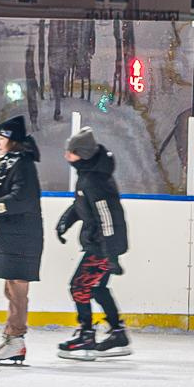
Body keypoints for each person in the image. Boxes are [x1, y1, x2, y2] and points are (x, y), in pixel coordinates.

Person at [0, 113, 43, 366]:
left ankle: (16, 341)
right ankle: (12, 338)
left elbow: (22, 200)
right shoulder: (10, 163)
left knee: (17, 289)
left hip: (22, 237)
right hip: (13, 235)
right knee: (11, 288)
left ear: (11, 139)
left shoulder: (21, 164)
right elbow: (5, 198)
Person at [54, 127, 130, 361]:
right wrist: (66, 221)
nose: (66, 155)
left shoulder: (94, 179)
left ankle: (87, 336)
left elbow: (106, 217)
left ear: (82, 154)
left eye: (71, 151)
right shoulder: (88, 174)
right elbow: (83, 205)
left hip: (102, 246)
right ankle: (118, 334)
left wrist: (111, 255)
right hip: (103, 244)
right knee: (96, 288)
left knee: (79, 287)